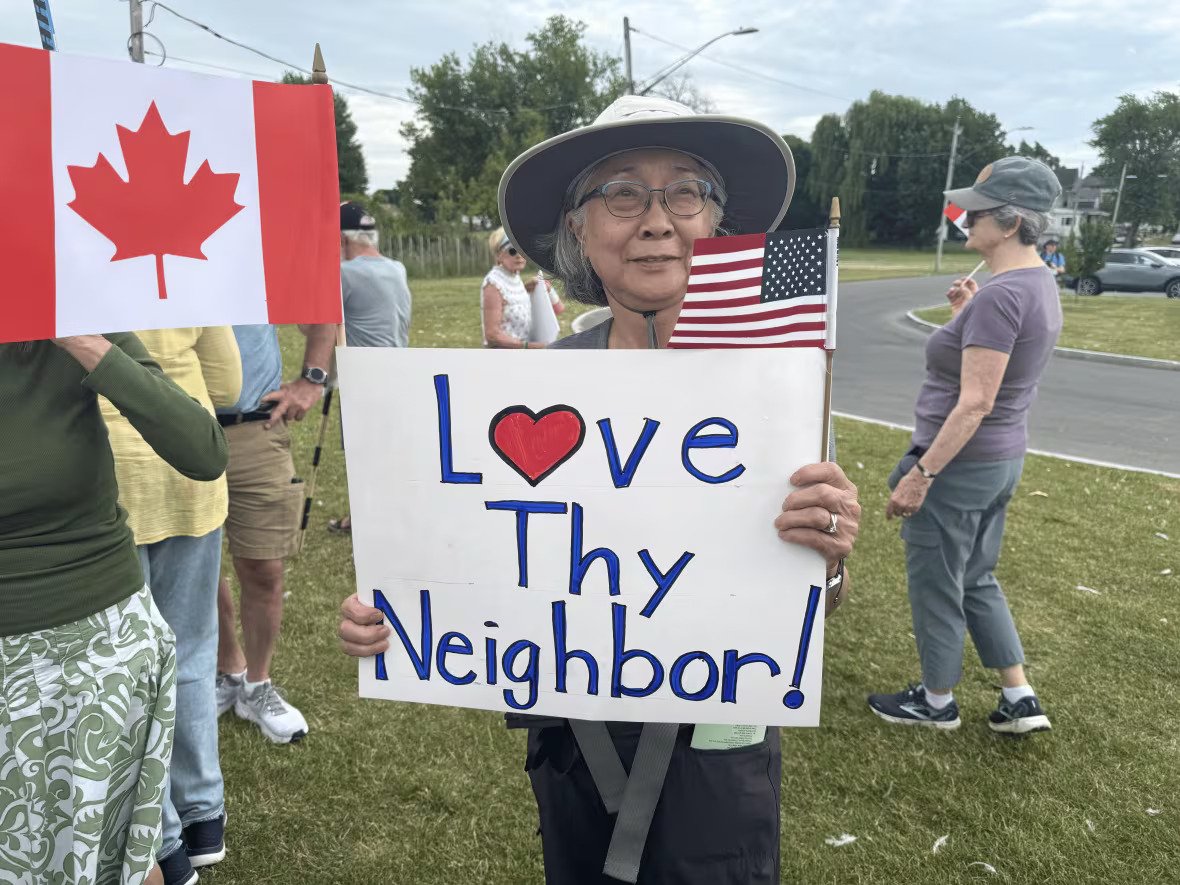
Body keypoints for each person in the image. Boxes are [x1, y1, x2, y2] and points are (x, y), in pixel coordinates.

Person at [339, 95, 862, 884]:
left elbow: (813, 598)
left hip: (717, 737)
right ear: (578, 228)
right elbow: (478, 548)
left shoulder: (779, 391)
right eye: (622, 194)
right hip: (572, 730)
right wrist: (397, 613)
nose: (656, 220)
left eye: (684, 192)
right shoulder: (529, 391)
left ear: (717, 223)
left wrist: (827, 561)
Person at [1, 333, 227, 885]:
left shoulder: (75, 316)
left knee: (119, 857)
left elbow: (204, 451)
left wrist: (85, 341)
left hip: (99, 646)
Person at [867, 156, 1063, 735]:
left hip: (961, 462)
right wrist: (963, 314)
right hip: (1002, 459)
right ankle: (1018, 695)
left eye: (974, 212)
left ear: (1006, 224)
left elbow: (975, 401)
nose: (964, 221)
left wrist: (921, 473)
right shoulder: (1034, 282)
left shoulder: (1003, 297)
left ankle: (935, 701)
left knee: (936, 579)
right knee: (977, 575)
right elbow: (988, 366)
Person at [101, 327, 242, 885]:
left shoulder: (74, 276)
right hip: (189, 475)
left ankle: (159, 838)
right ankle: (203, 813)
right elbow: (228, 386)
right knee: (191, 652)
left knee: (128, 671)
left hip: (109, 482)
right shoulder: (191, 275)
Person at [214, 320, 337, 743]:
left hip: (256, 427)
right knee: (196, 565)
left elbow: (320, 310)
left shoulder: (255, 254)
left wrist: (312, 379)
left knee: (264, 568)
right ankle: (228, 669)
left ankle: (257, 683)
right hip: (173, 427)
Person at [328, 202, 414, 535]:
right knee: (388, 448)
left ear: (341, 238)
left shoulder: (345, 274)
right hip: (398, 370)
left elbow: (312, 328)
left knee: (362, 452)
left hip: (364, 377)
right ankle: (389, 510)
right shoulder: (397, 268)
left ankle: (363, 518)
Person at [480, 227, 560, 349]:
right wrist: (529, 346)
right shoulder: (493, 283)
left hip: (518, 352)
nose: (518, 255)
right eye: (512, 251)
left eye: (521, 250)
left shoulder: (512, 275)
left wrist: (526, 288)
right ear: (498, 256)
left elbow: (507, 299)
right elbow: (492, 335)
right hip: (504, 356)